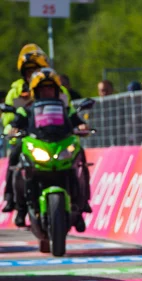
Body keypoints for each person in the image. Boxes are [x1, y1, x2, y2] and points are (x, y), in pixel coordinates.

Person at [3, 68, 92, 229]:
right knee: (17, 155)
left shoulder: (65, 109)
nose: (47, 91)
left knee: (80, 156)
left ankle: (82, 203)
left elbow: (76, 121)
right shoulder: (27, 109)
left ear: (57, 90)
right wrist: (13, 129)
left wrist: (82, 126)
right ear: (35, 91)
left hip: (60, 146)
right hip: (37, 146)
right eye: (42, 88)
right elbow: (15, 123)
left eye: (50, 88)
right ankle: (17, 204)